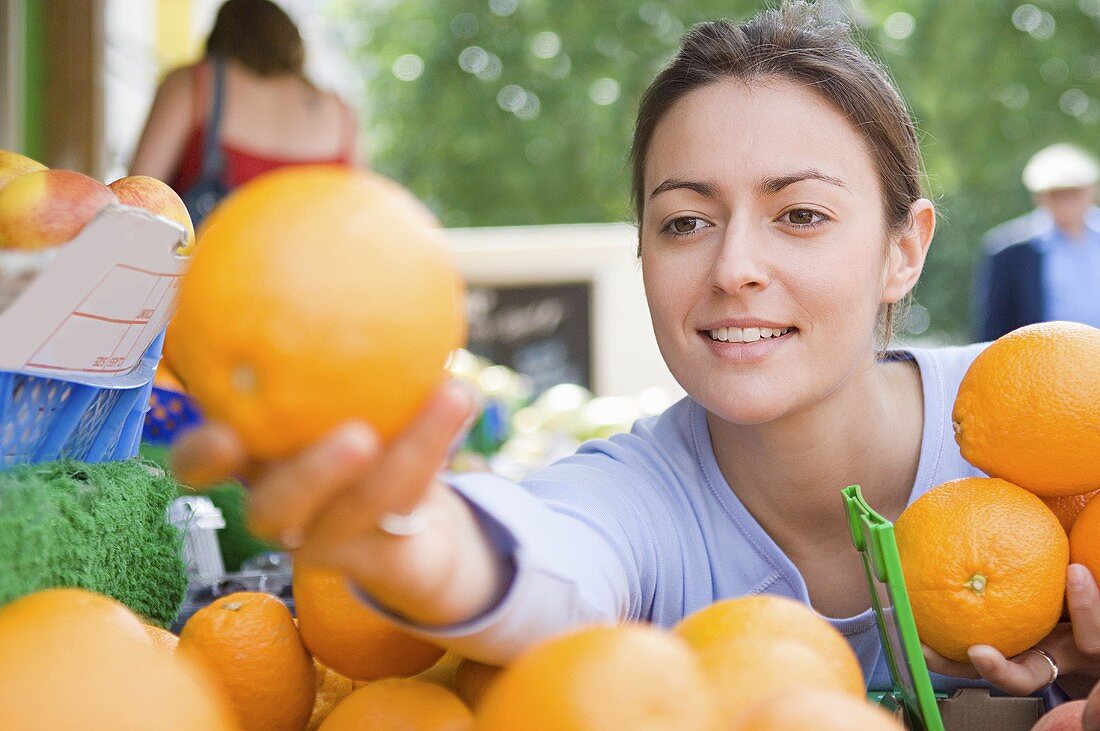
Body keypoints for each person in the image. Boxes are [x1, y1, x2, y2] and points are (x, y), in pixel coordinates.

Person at [172, 2, 1100, 704]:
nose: (735, 267)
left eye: (801, 215)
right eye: (686, 220)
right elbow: (553, 553)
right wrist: (420, 540)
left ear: (905, 248)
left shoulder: (1059, 418)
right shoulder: (641, 491)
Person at [129, 0, 358, 204]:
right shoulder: (338, 110)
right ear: (293, 43)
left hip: (212, 250)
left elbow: (138, 200)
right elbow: (361, 213)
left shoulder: (191, 84)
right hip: (315, 252)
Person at [973, 143, 1100, 341]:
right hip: (1042, 364)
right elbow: (993, 332)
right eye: (1057, 194)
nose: (1067, 202)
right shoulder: (1009, 251)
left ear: (1091, 191)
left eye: (1074, 192)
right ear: (1041, 197)